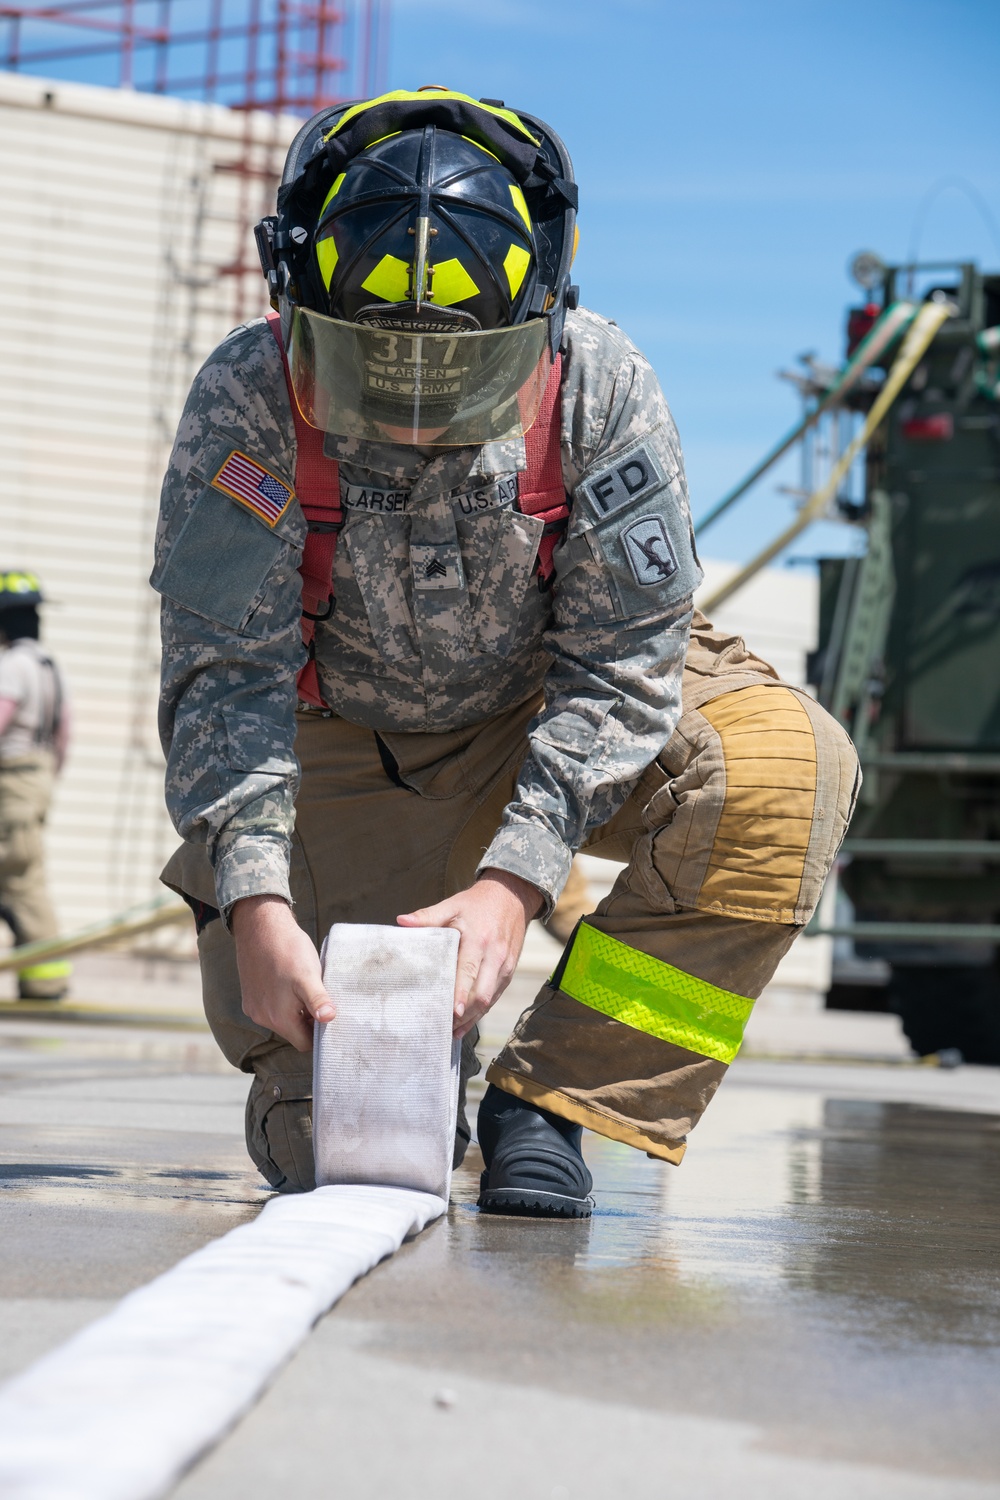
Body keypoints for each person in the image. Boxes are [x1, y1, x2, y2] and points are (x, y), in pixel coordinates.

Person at [154, 89, 859, 1217]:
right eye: (378, 364)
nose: (420, 412)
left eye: (463, 371)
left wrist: (514, 882)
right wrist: (256, 904)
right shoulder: (249, 395)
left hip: (554, 704)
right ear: (300, 298)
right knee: (354, 1151)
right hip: (351, 740)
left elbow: (624, 656)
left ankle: (559, 1098)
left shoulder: (601, 386)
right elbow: (223, 675)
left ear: (540, 309)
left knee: (783, 774)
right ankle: (398, 1097)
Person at [0, 572, 71, 1000]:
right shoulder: (49, 667)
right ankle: (44, 978)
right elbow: (64, 734)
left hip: (11, 786)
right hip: (36, 782)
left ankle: (46, 981)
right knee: (23, 880)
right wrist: (45, 780)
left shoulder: (12, 665)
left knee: (21, 886)